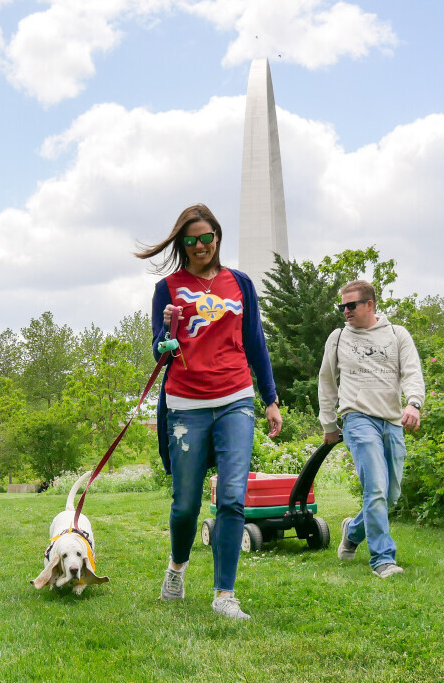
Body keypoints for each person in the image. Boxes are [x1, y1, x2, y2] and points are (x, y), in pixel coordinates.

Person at [136, 203, 282, 620]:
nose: (200, 246)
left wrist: (269, 398)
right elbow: (160, 352)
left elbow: (255, 341)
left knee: (233, 499)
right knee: (185, 504)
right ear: (182, 244)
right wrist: (167, 333)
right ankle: (177, 568)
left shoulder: (239, 283)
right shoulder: (168, 288)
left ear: (217, 237)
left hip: (236, 396)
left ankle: (224, 595)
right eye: (191, 240)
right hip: (186, 404)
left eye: (207, 238)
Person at [317, 280, 425, 578]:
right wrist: (329, 424)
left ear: (370, 305)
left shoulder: (396, 334)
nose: (345, 311)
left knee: (390, 494)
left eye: (351, 305)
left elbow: (412, 372)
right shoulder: (338, 338)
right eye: (342, 306)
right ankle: (383, 559)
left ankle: (352, 531)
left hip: (391, 420)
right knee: (375, 488)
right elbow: (326, 383)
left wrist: (413, 403)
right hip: (357, 418)